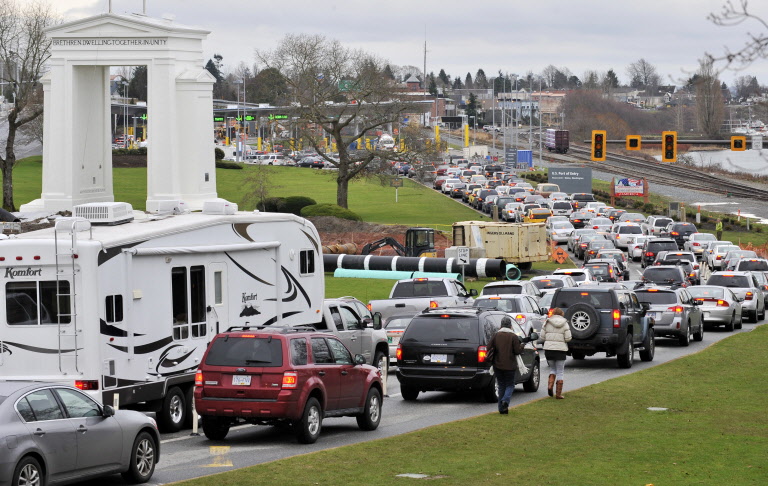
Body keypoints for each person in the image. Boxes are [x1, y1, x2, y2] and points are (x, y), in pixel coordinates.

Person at [487, 316, 524, 414]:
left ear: (501, 325)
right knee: (510, 385)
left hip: (497, 365)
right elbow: (517, 351)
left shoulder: (496, 335)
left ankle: (501, 409)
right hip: (510, 365)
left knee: (501, 386)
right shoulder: (513, 336)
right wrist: (522, 346)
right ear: (510, 325)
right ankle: (505, 401)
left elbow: (488, 347)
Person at [538, 307, 572, 399]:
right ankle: (558, 394)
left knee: (552, 369)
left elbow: (542, 336)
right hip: (561, 350)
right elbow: (568, 338)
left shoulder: (547, 322)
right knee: (560, 371)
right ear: (561, 314)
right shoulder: (565, 323)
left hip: (549, 350)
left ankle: (550, 386)